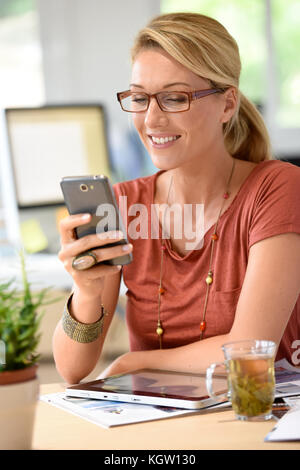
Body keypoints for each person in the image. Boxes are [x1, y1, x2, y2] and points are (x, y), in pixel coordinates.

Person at [53, 12, 300, 385]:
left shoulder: (278, 188)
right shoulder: (122, 205)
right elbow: (72, 369)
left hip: (257, 418)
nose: (151, 119)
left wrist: (136, 363)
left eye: (173, 98)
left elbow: (251, 348)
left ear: (228, 105)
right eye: (139, 98)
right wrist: (85, 292)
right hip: (161, 423)